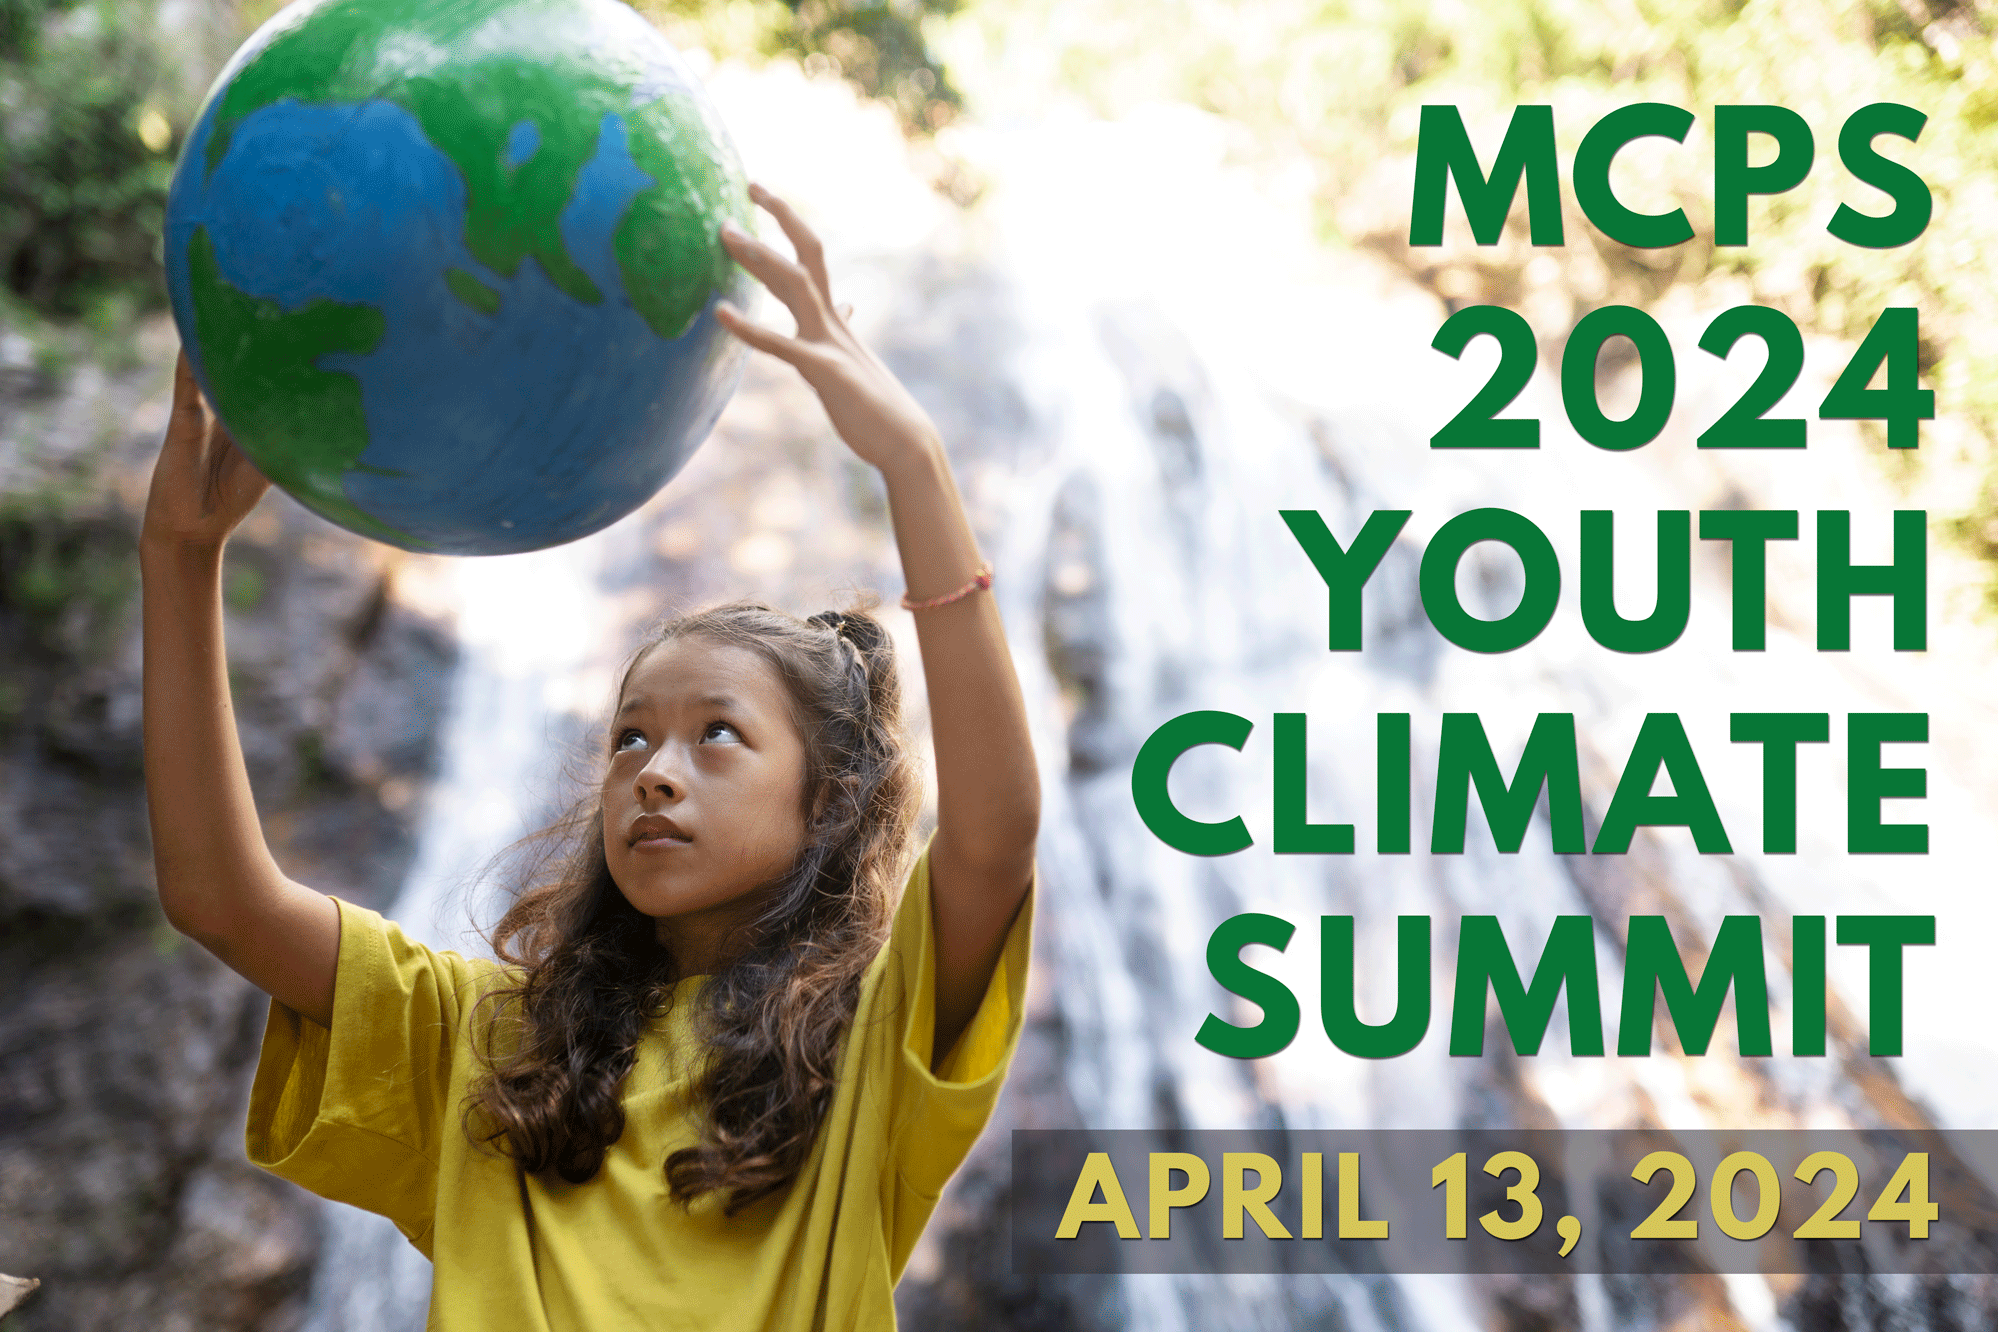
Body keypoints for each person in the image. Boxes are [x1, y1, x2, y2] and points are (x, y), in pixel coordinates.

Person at [140, 183, 1039, 1330]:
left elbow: (995, 838)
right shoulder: (489, 1049)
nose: (653, 772)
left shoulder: (866, 1049)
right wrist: (179, 555)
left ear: (833, 800)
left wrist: (913, 461)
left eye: (718, 734)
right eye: (628, 739)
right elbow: (218, 899)